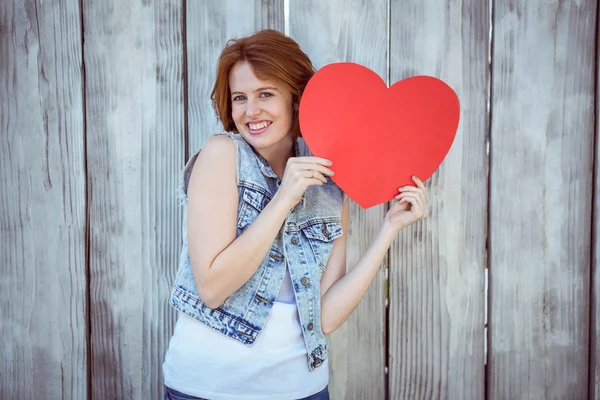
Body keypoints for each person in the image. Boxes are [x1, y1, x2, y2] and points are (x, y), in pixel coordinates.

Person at [162, 29, 428, 400]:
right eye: (240, 98)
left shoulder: (331, 183)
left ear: (297, 100)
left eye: (265, 94)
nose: (250, 111)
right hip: (209, 388)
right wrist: (284, 198)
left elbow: (325, 316)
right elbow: (212, 288)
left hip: (302, 389)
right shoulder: (222, 155)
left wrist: (389, 229)